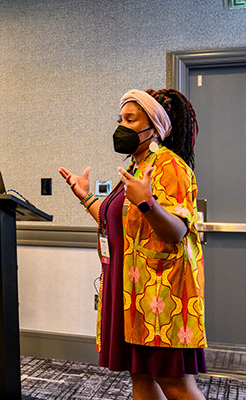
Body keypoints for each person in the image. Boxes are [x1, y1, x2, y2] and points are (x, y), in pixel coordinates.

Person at [59, 89, 206, 400]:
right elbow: (118, 221)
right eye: (119, 119)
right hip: (130, 291)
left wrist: (148, 203)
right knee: (141, 378)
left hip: (161, 296)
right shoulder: (136, 167)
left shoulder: (169, 166)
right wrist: (85, 196)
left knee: (176, 384)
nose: (121, 127)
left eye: (130, 119)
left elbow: (177, 231)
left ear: (153, 127)